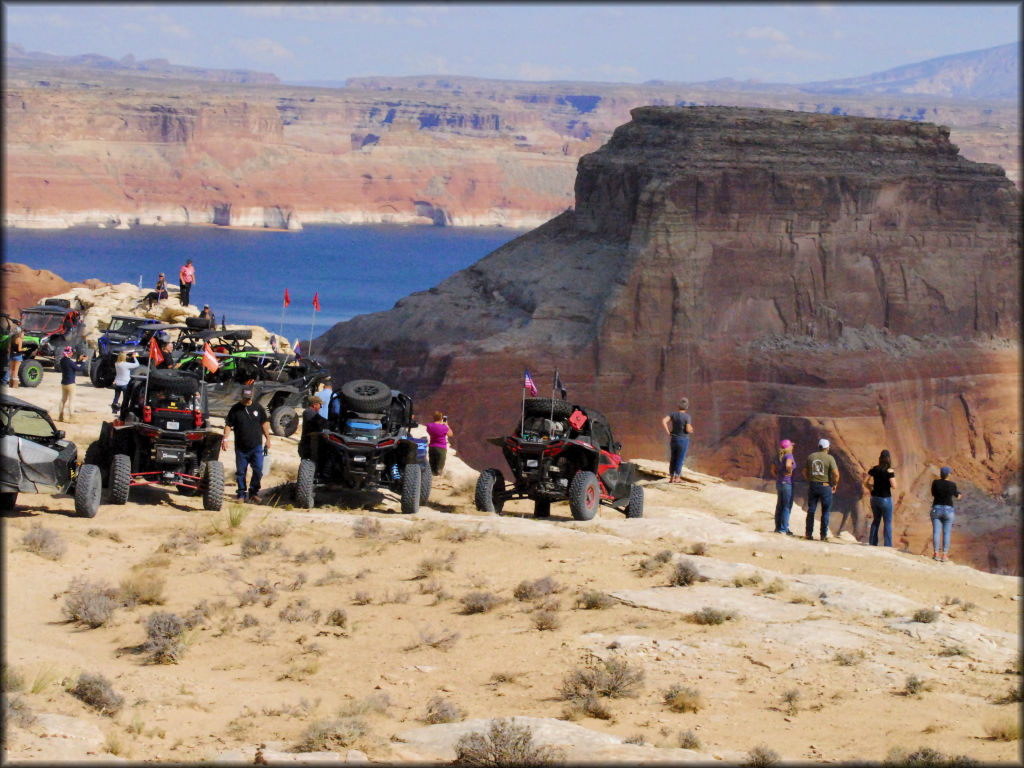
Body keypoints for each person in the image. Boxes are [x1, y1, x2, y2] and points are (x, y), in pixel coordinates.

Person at [223, 387, 271, 502]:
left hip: (256, 446)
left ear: (252, 396)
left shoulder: (258, 408)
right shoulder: (235, 409)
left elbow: (264, 423)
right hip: (241, 447)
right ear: (242, 396)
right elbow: (228, 424)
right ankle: (241, 494)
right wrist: (225, 439)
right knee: (241, 472)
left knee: (259, 470)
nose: (247, 401)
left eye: (249, 399)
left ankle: (254, 492)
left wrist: (268, 439)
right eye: (245, 398)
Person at [802, 438, 839, 541]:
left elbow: (804, 471)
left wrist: (810, 479)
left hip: (813, 485)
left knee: (811, 510)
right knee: (825, 511)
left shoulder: (811, 456)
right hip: (825, 486)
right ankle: (823, 536)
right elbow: (836, 474)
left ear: (819, 446)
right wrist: (834, 484)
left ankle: (808, 534)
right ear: (827, 447)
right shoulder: (830, 458)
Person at [865, 449, 897, 547]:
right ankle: (888, 545)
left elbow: (866, 481)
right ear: (888, 459)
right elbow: (894, 485)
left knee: (876, 520)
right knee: (887, 522)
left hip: (874, 498)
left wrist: (870, 489)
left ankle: (872, 542)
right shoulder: (889, 470)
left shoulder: (874, 469)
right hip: (885, 498)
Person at [930, 466, 961, 562]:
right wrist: (959, 494)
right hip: (948, 510)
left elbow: (933, 494)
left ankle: (936, 553)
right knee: (946, 533)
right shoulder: (952, 484)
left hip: (937, 508)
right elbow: (958, 496)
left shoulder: (935, 483)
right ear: (948, 474)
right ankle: (944, 555)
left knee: (936, 532)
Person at [661, 397, 693, 483]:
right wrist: (691, 429)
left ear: (678, 406)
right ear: (687, 407)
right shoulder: (687, 417)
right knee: (680, 458)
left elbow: (664, 421)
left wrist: (668, 432)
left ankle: (671, 477)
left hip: (674, 438)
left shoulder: (673, 414)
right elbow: (687, 429)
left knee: (673, 458)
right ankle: (677, 477)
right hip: (683, 439)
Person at [770, 439, 796, 535]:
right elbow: (788, 464)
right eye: (791, 446)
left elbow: (773, 470)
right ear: (788, 447)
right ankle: (784, 529)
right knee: (786, 506)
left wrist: (778, 476)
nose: (793, 447)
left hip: (779, 483)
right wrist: (789, 472)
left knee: (779, 505)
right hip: (787, 483)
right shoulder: (789, 455)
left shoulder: (777, 456)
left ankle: (777, 527)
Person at [58, 346, 88, 422]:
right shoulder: (69, 362)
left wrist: (79, 360)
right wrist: (84, 362)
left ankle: (60, 417)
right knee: (71, 401)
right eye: (72, 353)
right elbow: (79, 369)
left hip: (64, 383)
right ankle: (71, 418)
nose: (72, 354)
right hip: (71, 384)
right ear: (70, 353)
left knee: (63, 400)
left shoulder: (62, 360)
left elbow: (72, 364)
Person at [426, 411, 454, 476]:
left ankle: (429, 481)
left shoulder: (429, 426)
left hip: (432, 447)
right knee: (439, 468)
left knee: (431, 466)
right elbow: (450, 434)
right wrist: (446, 425)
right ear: (441, 418)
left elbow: (429, 430)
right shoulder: (444, 427)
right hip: (441, 448)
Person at [298, 396, 326, 461]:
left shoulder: (310, 413)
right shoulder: (309, 412)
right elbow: (323, 422)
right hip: (308, 447)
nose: (321, 407)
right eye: (320, 405)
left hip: (308, 446)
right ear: (315, 405)